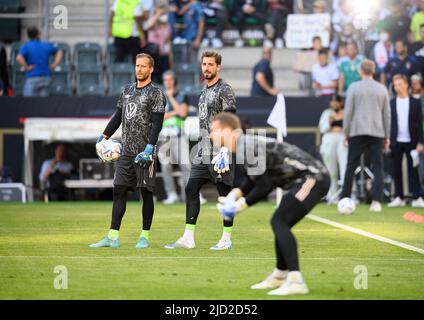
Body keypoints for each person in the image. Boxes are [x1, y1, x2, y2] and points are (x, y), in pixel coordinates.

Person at [210, 112, 330, 296]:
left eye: (214, 130)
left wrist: (239, 207)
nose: (211, 135)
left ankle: (296, 280)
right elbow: (254, 180)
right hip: (306, 178)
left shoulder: (245, 145)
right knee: (280, 222)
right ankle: (280, 275)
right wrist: (234, 196)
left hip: (313, 178)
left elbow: (265, 186)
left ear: (228, 131)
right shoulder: (244, 145)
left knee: (279, 221)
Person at [90, 53, 166, 249]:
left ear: (151, 69)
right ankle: (113, 237)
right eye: (137, 65)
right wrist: (104, 136)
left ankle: (144, 236)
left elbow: (157, 125)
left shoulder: (156, 93)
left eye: (143, 66)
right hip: (126, 152)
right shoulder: (126, 91)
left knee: (146, 193)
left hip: (145, 153)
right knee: (119, 191)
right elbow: (118, 117)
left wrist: (150, 148)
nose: (139, 69)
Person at [165, 50, 237, 250]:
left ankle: (226, 239)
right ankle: (188, 238)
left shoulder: (225, 89)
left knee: (224, 195)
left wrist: (225, 148)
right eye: (204, 64)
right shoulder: (203, 91)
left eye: (210, 64)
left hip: (220, 150)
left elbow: (230, 115)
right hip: (202, 149)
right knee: (191, 188)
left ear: (218, 67)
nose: (206, 67)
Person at [340, 60, 391, 212]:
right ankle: (376, 202)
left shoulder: (353, 88)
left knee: (350, 166)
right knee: (378, 166)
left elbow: (348, 112)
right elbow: (386, 115)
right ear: (373, 71)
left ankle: (344, 198)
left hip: (357, 131)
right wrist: (387, 135)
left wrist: (346, 132)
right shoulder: (382, 89)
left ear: (361, 71)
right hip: (377, 132)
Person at [387, 74, 424, 208]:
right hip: (396, 141)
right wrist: (388, 140)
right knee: (396, 170)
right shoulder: (391, 103)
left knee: (413, 170)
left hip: (412, 141)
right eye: (395, 85)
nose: (397, 87)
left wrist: (420, 142)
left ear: (407, 84)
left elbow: (420, 124)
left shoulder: (415, 102)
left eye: (400, 84)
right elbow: (389, 124)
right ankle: (399, 197)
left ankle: (417, 197)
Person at [158, 70, 191, 204]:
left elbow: (183, 113)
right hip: (163, 136)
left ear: (174, 81)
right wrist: (174, 112)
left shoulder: (182, 95)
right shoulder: (159, 96)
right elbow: (158, 116)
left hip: (178, 135)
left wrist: (171, 98)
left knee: (186, 165)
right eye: (165, 80)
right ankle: (171, 194)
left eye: (170, 79)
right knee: (166, 166)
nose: (168, 82)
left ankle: (191, 193)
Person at [16, 27, 63, 97]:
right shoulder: (45, 45)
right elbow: (60, 51)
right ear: (38, 35)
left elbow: (19, 57)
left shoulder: (26, 46)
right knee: (43, 104)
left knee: (29, 103)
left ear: (28, 36)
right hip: (45, 78)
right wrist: (54, 65)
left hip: (33, 77)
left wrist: (27, 67)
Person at [318, 95, 347, 204]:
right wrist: (330, 122)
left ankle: (347, 195)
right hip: (329, 141)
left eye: (336, 102)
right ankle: (332, 196)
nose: (334, 104)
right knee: (331, 171)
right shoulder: (326, 113)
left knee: (345, 168)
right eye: (332, 102)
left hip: (343, 140)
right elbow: (322, 128)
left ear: (341, 103)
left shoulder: (346, 112)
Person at [146, 4, 172, 84]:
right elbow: (148, 25)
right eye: (161, 13)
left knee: (163, 77)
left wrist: (171, 57)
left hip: (163, 55)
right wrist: (157, 15)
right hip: (153, 54)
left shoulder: (167, 25)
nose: (162, 15)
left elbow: (168, 42)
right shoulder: (153, 23)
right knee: (152, 77)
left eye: (163, 13)